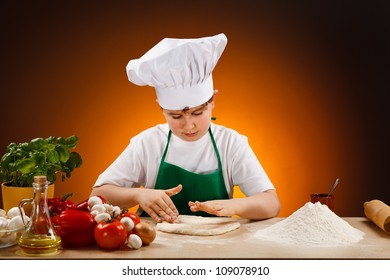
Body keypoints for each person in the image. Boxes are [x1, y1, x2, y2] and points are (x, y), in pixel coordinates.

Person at [90, 33, 280, 223]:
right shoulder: (148, 143)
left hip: (216, 246)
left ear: (213, 100)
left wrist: (236, 206)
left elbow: (271, 203)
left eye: (198, 113)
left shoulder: (231, 143)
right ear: (161, 108)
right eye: (176, 116)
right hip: (154, 246)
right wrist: (138, 196)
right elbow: (97, 196)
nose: (188, 125)